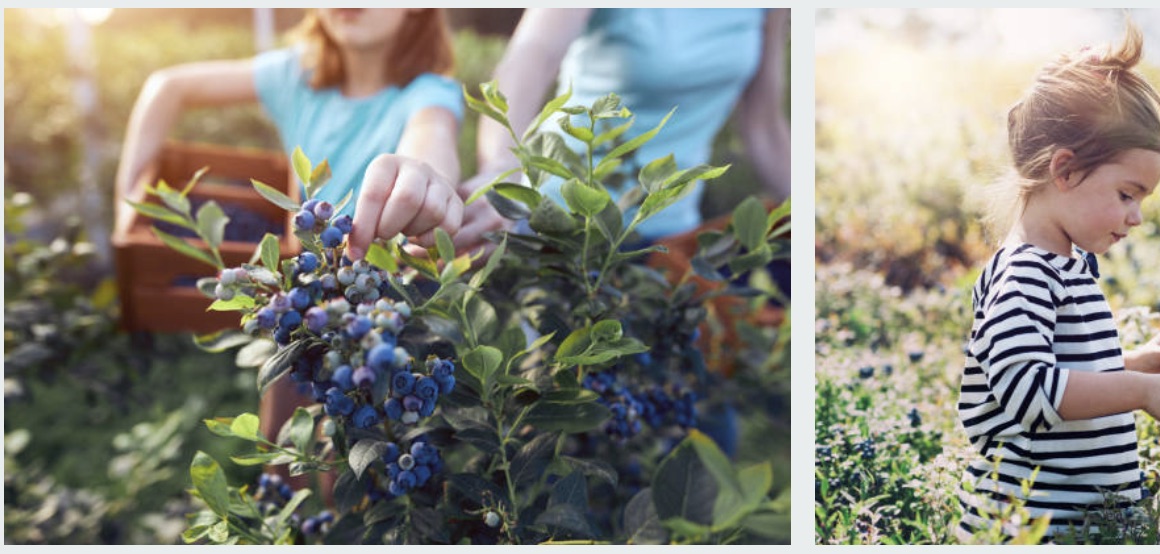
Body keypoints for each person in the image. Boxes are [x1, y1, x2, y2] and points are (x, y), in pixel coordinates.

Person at [112, 8, 466, 497]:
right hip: (308, 306)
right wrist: (127, 195)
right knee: (284, 454)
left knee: (360, 474)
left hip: (386, 317)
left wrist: (424, 174)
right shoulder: (294, 77)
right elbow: (167, 86)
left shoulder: (428, 92)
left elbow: (433, 135)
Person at [956, 19, 1160, 543]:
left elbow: (1065, 374)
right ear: (1066, 171)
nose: (1136, 217)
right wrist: (1140, 390)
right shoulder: (1025, 273)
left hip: (1085, 526)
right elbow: (1029, 390)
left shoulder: (1070, 265)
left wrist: (1136, 363)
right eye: (1127, 194)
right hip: (1029, 530)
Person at [466, 8, 790, 245]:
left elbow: (764, 127)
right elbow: (531, 57)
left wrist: (816, 218)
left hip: (670, 230)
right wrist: (500, 171)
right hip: (561, 221)